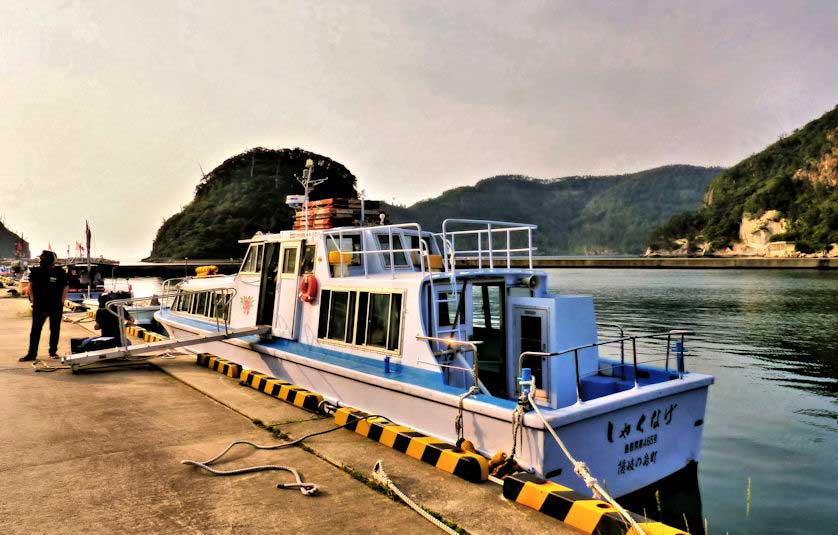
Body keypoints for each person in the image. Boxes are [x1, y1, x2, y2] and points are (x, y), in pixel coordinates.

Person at [20, 250, 68, 361]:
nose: (42, 261)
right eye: (41, 259)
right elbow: (30, 286)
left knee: (55, 329)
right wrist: (32, 299)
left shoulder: (59, 272)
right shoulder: (36, 271)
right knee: (35, 330)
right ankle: (31, 354)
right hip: (40, 305)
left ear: (51, 261)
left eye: (43, 259)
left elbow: (65, 286)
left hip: (55, 305)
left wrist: (62, 301)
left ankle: (53, 352)